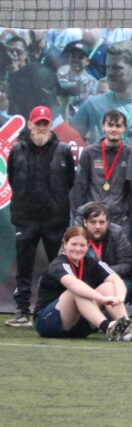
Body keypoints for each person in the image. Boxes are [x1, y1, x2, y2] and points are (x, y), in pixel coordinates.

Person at [6, 105, 76, 327]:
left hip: (55, 220)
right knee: (24, 267)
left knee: (57, 267)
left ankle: (52, 309)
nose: (42, 127)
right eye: (38, 123)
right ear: (30, 125)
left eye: (46, 123)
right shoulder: (16, 150)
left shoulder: (63, 150)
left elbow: (69, 181)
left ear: (51, 125)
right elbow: (12, 179)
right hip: (25, 219)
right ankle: (21, 310)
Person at [33, 227, 132, 341]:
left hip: (78, 324)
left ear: (88, 246)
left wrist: (119, 297)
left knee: (108, 286)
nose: (78, 249)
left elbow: (116, 279)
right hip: (48, 322)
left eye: (82, 245)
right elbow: (74, 285)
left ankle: (127, 328)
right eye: (74, 244)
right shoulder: (59, 264)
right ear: (65, 244)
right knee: (77, 291)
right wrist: (102, 299)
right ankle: (108, 327)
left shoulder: (92, 262)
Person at [70, 40, 132, 143]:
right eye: (108, 67)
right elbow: (69, 139)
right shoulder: (93, 105)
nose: (110, 73)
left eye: (116, 68)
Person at [70, 109, 132, 230]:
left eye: (118, 126)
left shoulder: (130, 154)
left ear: (124, 128)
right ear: (103, 126)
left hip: (120, 220)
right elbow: (79, 188)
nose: (114, 129)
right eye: (110, 125)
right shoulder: (89, 152)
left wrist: (129, 218)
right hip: (94, 219)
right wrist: (80, 218)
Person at [80, 202, 132, 302]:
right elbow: (64, 264)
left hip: (112, 276)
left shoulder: (117, 233)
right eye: (93, 222)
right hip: (85, 280)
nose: (97, 226)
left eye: (101, 222)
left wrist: (105, 270)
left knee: (127, 285)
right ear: (85, 222)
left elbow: (129, 265)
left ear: (108, 223)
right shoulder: (75, 235)